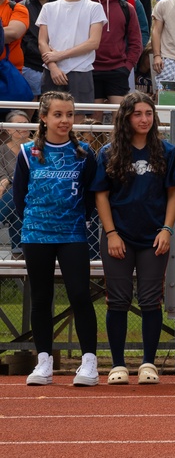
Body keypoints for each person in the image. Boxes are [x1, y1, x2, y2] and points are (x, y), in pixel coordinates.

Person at [92, 92, 175, 385]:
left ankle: (148, 364)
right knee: (117, 300)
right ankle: (117, 365)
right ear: (126, 117)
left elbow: (173, 193)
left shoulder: (166, 151)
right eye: (137, 114)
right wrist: (111, 233)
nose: (144, 119)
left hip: (153, 237)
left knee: (149, 301)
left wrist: (167, 230)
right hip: (118, 237)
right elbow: (101, 195)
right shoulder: (108, 152)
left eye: (149, 113)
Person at [15, 92, 99, 386]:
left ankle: (89, 362)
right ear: (44, 117)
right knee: (41, 298)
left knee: (79, 295)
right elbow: (19, 196)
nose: (65, 121)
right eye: (58, 115)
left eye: (69, 115)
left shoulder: (84, 153)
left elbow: (90, 195)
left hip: (72, 233)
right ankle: (43, 362)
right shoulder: (27, 152)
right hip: (36, 233)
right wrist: (36, 221)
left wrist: (78, 217)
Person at [38, 0, 107, 104]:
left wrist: (59, 55)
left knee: (79, 119)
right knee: (50, 118)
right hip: (52, 71)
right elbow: (42, 41)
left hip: (80, 70)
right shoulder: (48, 8)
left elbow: (94, 42)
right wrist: (53, 67)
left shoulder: (94, 8)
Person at [86, 0, 142, 111]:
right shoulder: (83, 5)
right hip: (90, 68)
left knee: (120, 117)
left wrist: (127, 66)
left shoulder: (126, 8)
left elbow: (136, 42)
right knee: (93, 119)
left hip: (118, 69)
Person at [17, 0, 57, 98]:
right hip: (30, 64)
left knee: (53, 102)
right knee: (31, 103)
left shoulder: (60, 5)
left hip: (57, 62)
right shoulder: (22, 6)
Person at [0, 110, 30, 256]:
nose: (24, 127)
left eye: (26, 124)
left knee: (17, 192)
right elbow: (1, 177)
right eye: (19, 124)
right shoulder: (1, 151)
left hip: (33, 192)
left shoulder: (38, 148)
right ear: (8, 129)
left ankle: (18, 253)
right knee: (16, 197)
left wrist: (10, 180)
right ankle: (18, 253)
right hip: (10, 197)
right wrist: (6, 181)